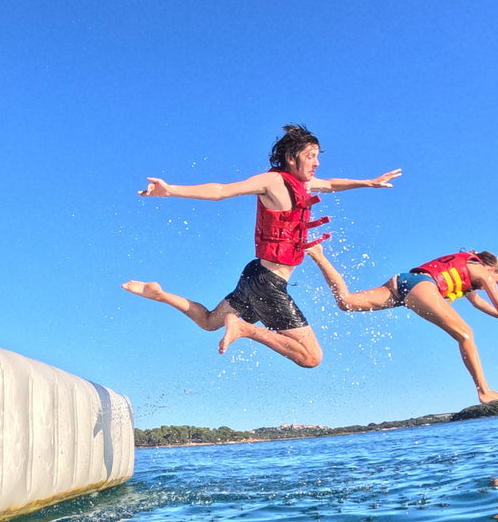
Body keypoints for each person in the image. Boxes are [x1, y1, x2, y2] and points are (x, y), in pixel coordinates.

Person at [122, 124, 399, 366]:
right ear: (291, 158)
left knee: (208, 322)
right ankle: (244, 329)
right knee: (311, 358)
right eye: (311, 157)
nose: (317, 164)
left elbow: (332, 184)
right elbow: (221, 191)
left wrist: (368, 182)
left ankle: (159, 294)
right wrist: (171, 190)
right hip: (268, 284)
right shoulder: (273, 182)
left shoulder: (304, 184)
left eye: (317, 157)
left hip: (254, 275)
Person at [306, 244, 498, 403]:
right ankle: (485, 391)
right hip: (422, 287)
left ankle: (318, 254)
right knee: (466, 334)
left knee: (346, 302)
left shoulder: (468, 271)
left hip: (402, 282)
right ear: (490, 268)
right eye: (495, 281)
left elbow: (480, 304)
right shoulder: (482, 272)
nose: (488, 285)